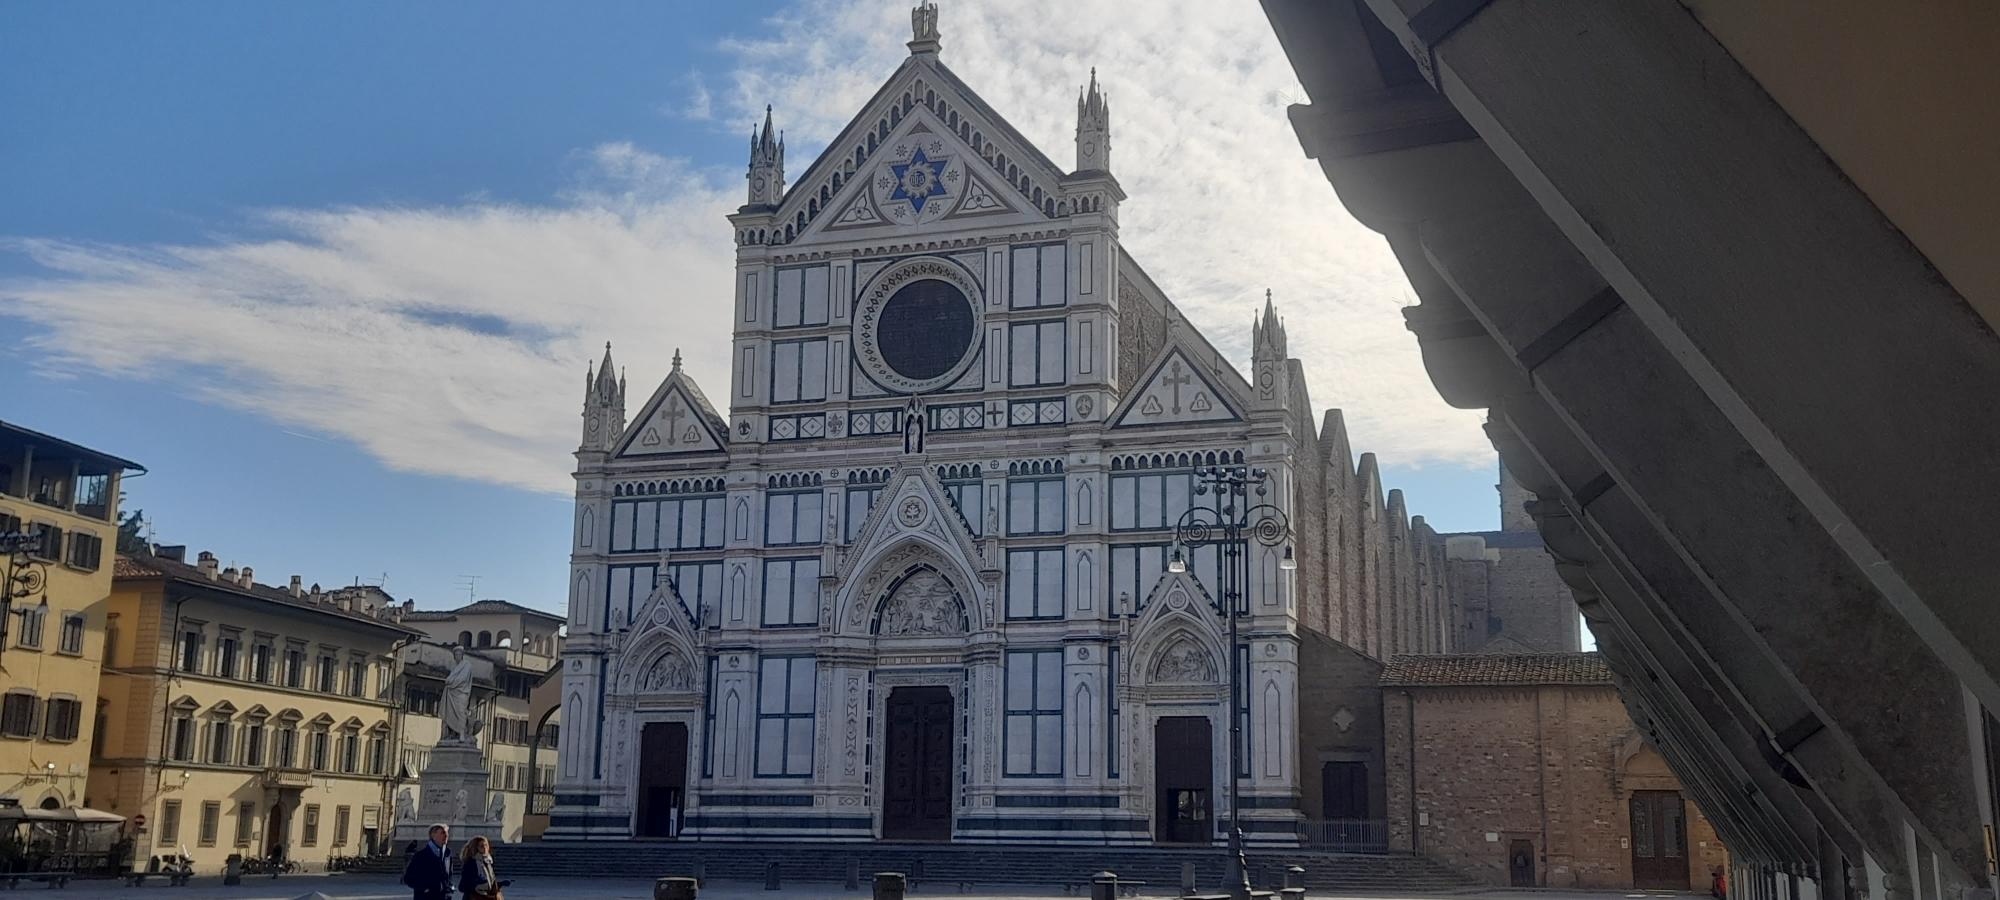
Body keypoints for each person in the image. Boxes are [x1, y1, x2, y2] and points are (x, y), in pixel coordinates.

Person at [401, 824, 453, 900]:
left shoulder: (447, 855)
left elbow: (449, 876)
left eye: (447, 833)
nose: (446, 835)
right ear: (433, 835)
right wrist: (425, 888)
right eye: (443, 833)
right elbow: (408, 878)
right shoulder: (421, 856)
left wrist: (449, 887)